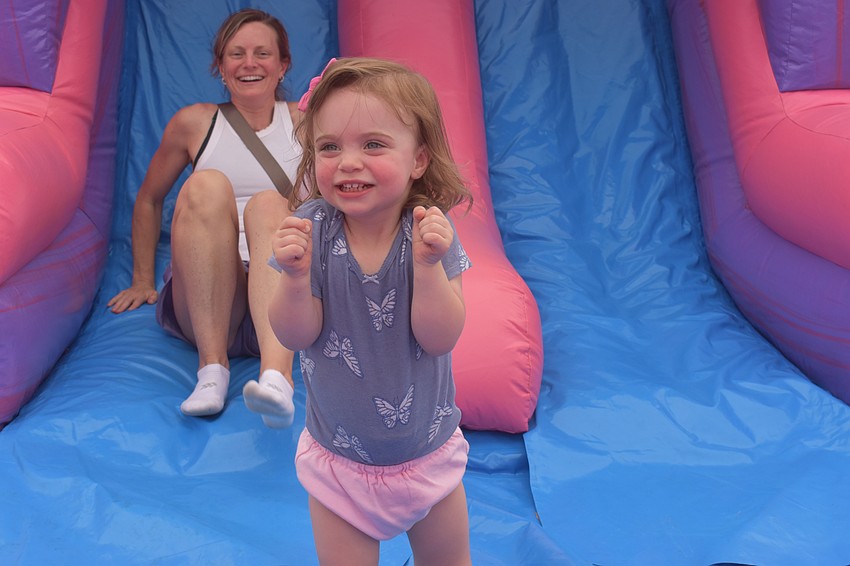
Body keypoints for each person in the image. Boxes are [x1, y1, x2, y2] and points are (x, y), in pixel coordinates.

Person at [261, 57, 474, 565]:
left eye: (372, 144)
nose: (347, 162)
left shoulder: (427, 233)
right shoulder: (312, 229)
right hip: (340, 464)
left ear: (418, 159)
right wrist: (292, 278)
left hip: (429, 458)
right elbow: (295, 334)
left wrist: (427, 267)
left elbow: (440, 338)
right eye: (329, 147)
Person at [107, 8, 297, 425]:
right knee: (206, 184)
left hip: (284, 295)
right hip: (211, 301)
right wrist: (142, 278)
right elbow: (148, 199)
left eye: (262, 53)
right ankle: (212, 371)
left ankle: (276, 379)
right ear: (220, 67)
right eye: (237, 54)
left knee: (269, 203)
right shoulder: (193, 123)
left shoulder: (309, 124)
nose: (250, 63)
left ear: (282, 65)